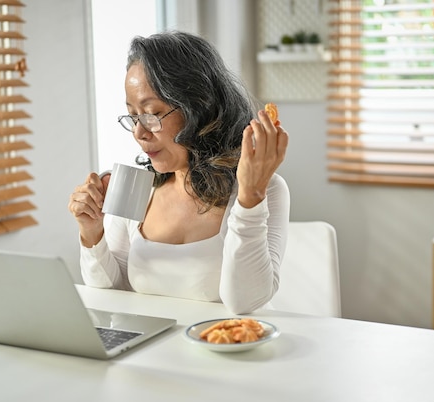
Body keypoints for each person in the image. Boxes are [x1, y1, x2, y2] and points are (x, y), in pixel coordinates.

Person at [68, 31, 290, 314]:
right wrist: (92, 233)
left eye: (151, 114)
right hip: (155, 354)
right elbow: (113, 296)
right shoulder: (138, 186)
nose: (139, 133)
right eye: (133, 116)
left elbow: (244, 302)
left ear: (198, 107)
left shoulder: (265, 190)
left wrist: (250, 197)